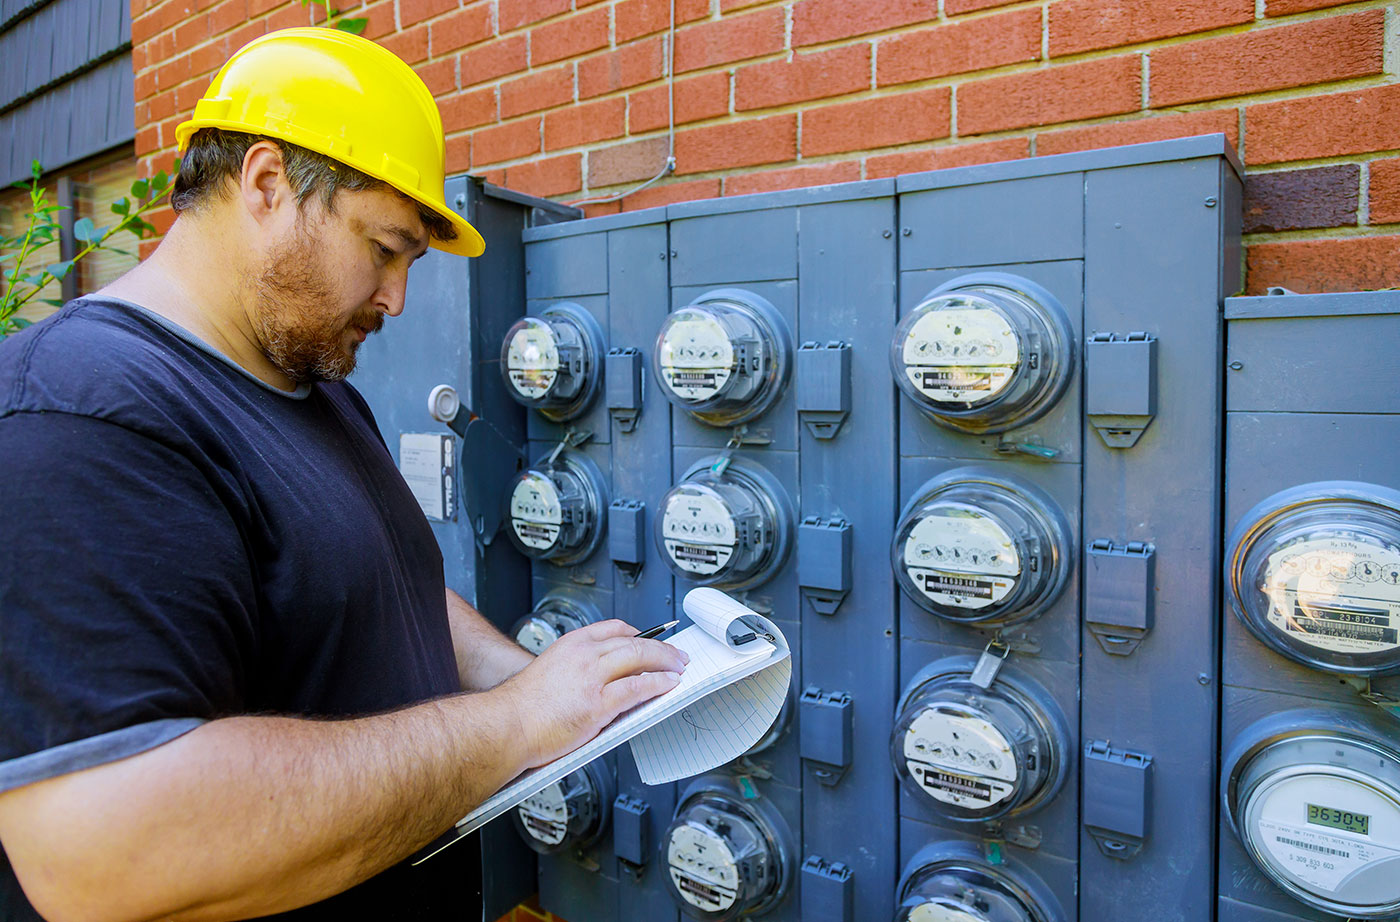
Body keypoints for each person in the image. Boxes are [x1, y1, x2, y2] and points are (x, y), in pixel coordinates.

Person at [0, 27, 687, 922]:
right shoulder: (80, 413)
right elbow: (106, 854)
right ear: (267, 186)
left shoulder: (311, 388)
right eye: (383, 247)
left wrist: (543, 681)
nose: (397, 297)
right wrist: (515, 721)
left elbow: (377, 587)